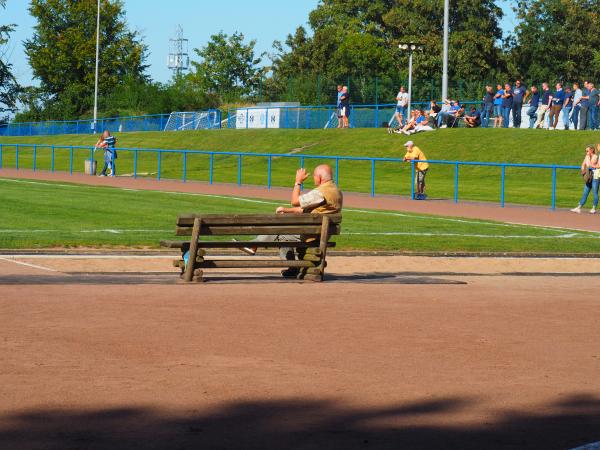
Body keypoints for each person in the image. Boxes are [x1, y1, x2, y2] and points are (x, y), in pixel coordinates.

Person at [241, 164, 343, 278]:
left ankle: (253, 245)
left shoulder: (320, 192)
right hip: (321, 233)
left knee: (279, 232)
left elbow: (295, 201)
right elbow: (307, 209)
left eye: (314, 176)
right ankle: (291, 267)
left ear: (319, 177)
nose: (313, 178)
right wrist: (286, 210)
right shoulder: (336, 191)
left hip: (311, 235)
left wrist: (298, 182)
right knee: (283, 231)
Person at [571, 145, 599, 214]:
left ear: (591, 150)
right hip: (589, 177)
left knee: (595, 192)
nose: (586, 152)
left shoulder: (595, 156)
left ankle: (593, 208)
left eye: (587, 151)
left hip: (595, 176)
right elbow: (583, 164)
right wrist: (583, 169)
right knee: (585, 192)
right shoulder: (587, 156)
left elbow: (591, 164)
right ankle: (579, 207)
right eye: (585, 151)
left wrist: (587, 163)